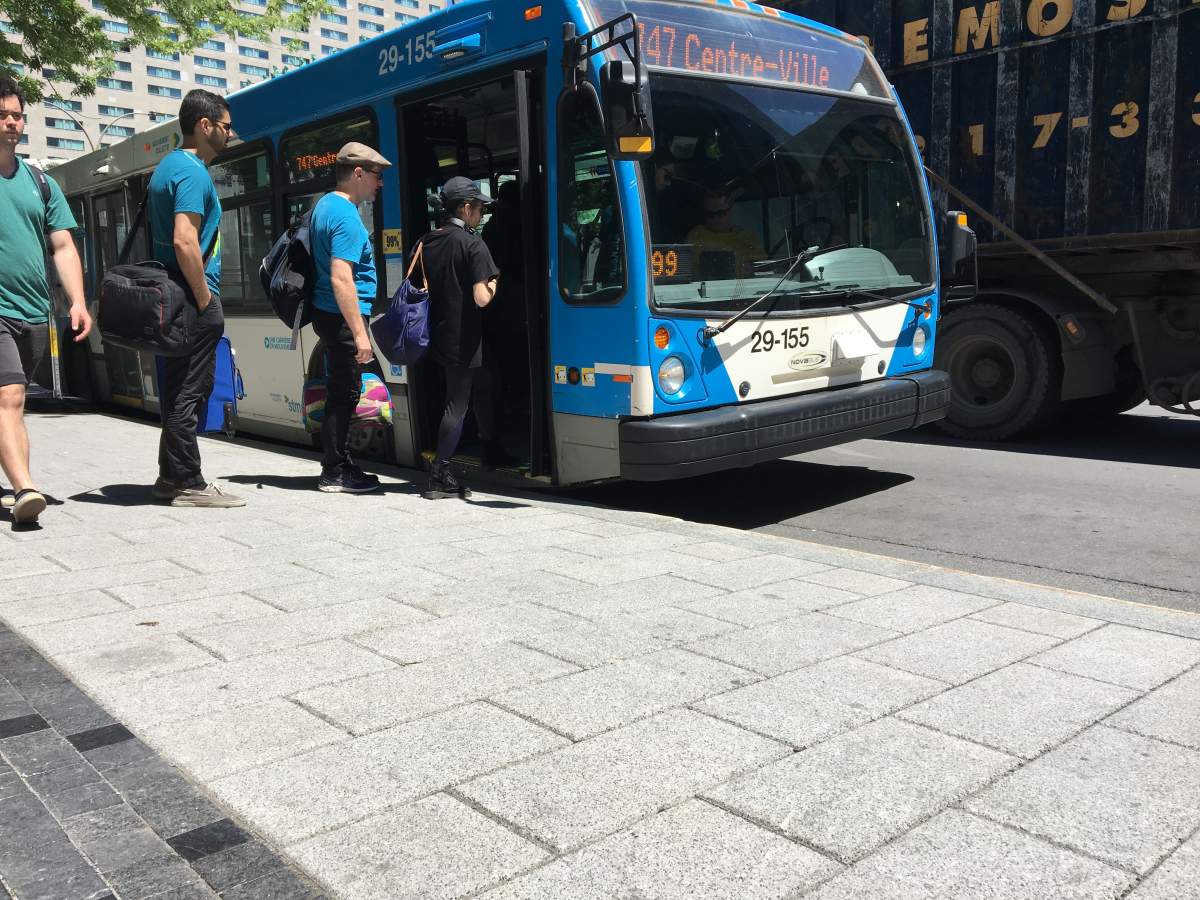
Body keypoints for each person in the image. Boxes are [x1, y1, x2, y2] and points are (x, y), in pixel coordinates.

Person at [0, 76, 92, 525]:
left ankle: (19, 484)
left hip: (36, 311)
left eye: (17, 114)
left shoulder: (40, 182)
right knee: (10, 397)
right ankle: (25, 488)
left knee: (13, 404)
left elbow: (62, 246)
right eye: (3, 114)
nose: (12, 122)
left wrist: (77, 300)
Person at [147, 88, 244, 508]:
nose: (229, 133)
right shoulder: (192, 173)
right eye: (225, 126)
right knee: (191, 389)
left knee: (176, 389)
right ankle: (189, 482)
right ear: (204, 127)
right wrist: (206, 299)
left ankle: (170, 477)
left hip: (173, 295)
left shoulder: (167, 166)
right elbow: (185, 240)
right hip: (191, 296)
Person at [308, 141, 390, 493]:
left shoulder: (323, 206)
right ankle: (335, 472)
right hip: (342, 316)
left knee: (340, 390)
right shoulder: (345, 216)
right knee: (345, 392)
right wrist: (360, 334)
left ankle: (339, 464)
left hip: (328, 314)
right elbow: (342, 277)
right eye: (376, 175)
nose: (380, 183)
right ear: (358, 173)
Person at [420, 175, 506, 499]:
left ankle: (489, 443)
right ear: (466, 208)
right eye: (480, 208)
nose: (482, 214)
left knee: (484, 382)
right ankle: (439, 474)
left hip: (437, 334)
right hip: (464, 339)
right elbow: (482, 298)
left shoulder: (429, 240)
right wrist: (495, 281)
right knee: (456, 406)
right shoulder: (473, 244)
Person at [685, 189, 766, 279]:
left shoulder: (747, 236)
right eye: (710, 214)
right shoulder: (696, 235)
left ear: (731, 210)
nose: (715, 219)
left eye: (721, 213)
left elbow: (761, 267)